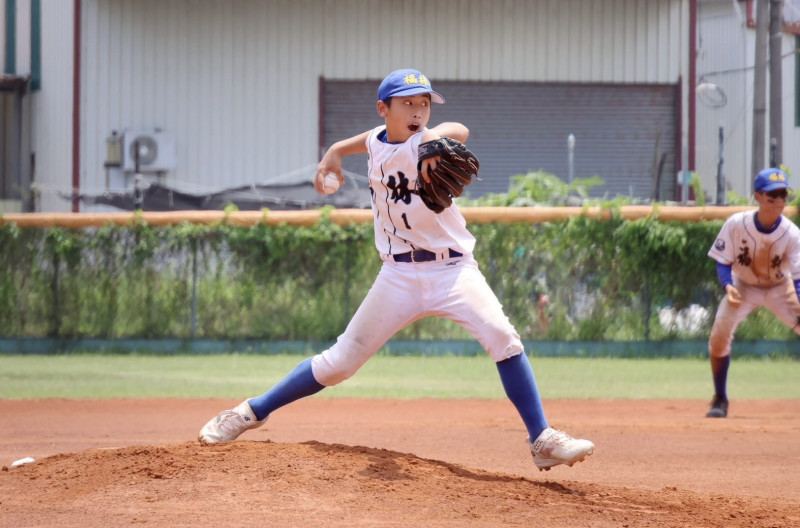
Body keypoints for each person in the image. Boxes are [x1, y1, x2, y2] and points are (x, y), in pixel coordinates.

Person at [198, 68, 594, 471]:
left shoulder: (427, 140)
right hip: (398, 276)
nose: (418, 110)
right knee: (339, 363)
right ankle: (249, 412)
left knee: (502, 335)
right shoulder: (376, 139)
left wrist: (437, 140)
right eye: (408, 103)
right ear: (383, 109)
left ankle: (541, 438)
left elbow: (460, 129)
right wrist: (333, 153)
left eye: (424, 103)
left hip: (453, 271)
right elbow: (365, 140)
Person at [706, 167, 800, 418]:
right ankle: (720, 398)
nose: (780, 200)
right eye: (773, 195)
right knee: (718, 338)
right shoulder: (737, 224)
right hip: (743, 286)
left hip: (781, 287)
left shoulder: (792, 234)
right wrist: (727, 285)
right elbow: (723, 261)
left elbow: (799, 278)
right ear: (758, 196)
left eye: (784, 194)